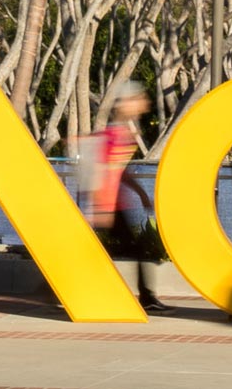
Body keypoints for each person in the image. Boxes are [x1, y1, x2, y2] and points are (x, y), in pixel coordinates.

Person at [89, 82, 168, 312]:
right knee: (128, 249)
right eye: (139, 98)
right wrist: (100, 207)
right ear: (125, 104)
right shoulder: (113, 134)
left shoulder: (123, 132)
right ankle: (146, 297)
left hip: (115, 203)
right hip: (109, 204)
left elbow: (119, 170)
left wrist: (141, 193)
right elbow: (99, 170)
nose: (144, 102)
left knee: (117, 249)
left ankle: (146, 296)